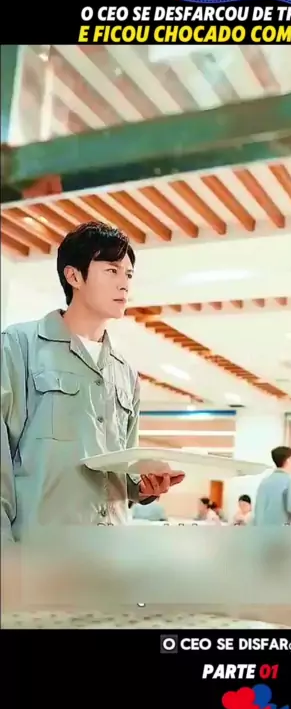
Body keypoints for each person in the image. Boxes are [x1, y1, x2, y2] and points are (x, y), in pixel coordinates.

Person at [1, 222, 184, 544]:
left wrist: (143, 486)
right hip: (40, 553)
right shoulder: (19, 345)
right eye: (112, 271)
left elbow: (123, 467)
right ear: (74, 276)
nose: (124, 284)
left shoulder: (125, 373)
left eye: (128, 275)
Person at [253, 446, 291, 525]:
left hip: (262, 528)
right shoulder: (290, 481)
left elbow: (258, 509)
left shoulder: (265, 482)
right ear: (288, 460)